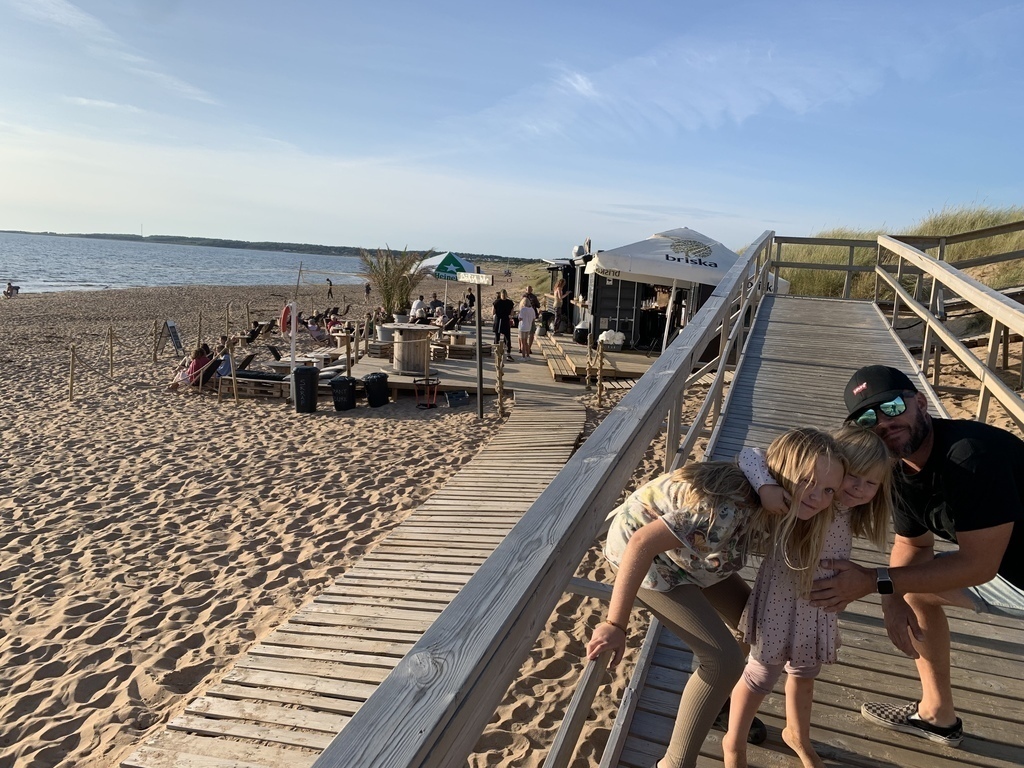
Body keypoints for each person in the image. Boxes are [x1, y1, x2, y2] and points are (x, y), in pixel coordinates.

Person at [586, 428, 845, 768]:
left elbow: (753, 455)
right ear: (780, 471)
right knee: (722, 660)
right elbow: (640, 544)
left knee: (754, 624)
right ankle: (675, 763)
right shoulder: (726, 509)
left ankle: (718, 702)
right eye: (808, 482)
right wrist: (614, 623)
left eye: (828, 490)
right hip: (652, 561)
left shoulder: (771, 489)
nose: (817, 497)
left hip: (700, 555)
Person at [811, 365, 1024, 748]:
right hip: (1009, 569)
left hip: (1011, 574)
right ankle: (938, 717)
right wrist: (890, 600)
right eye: (867, 419)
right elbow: (914, 545)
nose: (883, 423)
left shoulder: (970, 457)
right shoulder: (897, 469)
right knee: (915, 586)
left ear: (921, 403)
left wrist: (871, 580)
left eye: (892, 407)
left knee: (920, 580)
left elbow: (979, 566)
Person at [724, 427, 893, 768]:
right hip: (780, 600)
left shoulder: (843, 507)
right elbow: (749, 455)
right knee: (760, 675)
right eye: (853, 478)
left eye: (870, 483)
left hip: (817, 605)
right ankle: (734, 742)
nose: (859, 488)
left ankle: (797, 734)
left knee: (805, 672)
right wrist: (768, 486)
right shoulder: (809, 499)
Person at [492, 289, 515, 361]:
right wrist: (510, 316)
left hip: (499, 320)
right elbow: (512, 312)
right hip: (505, 320)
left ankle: (496, 351)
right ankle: (508, 354)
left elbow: (493, 312)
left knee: (497, 337)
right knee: (507, 337)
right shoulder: (510, 302)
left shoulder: (497, 302)